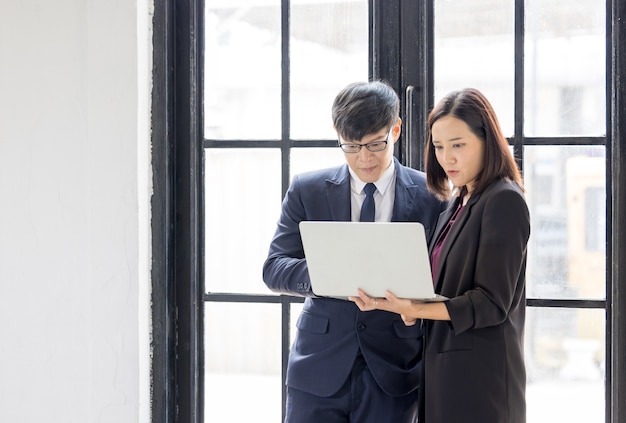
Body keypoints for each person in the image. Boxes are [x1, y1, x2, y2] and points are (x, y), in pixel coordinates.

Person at [262, 80, 444, 423]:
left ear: (396, 129)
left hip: (395, 370)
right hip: (318, 368)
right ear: (337, 134)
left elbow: (444, 279)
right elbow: (274, 268)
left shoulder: (431, 195)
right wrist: (331, 274)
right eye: (351, 146)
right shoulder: (307, 190)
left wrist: (417, 306)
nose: (364, 158)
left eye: (376, 144)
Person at [350, 88, 531, 423]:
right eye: (438, 146)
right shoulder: (457, 201)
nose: (447, 158)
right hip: (441, 374)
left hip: (481, 382)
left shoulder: (504, 200)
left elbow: (492, 302)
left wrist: (417, 308)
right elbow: (442, 288)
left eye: (458, 145)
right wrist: (405, 306)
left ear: (487, 139)